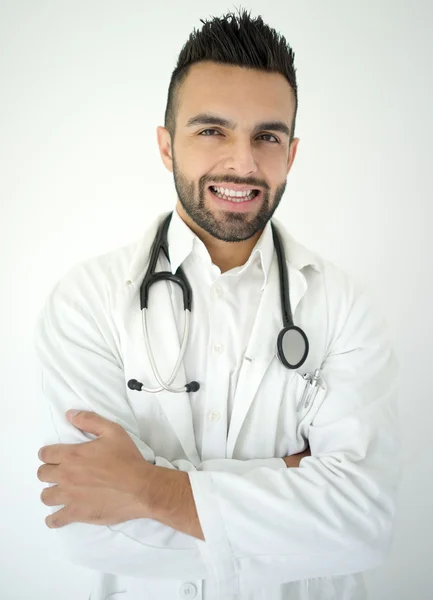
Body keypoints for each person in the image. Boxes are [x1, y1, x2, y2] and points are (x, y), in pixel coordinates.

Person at [34, 7, 402, 600]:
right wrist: (293, 485)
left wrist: (150, 490)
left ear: (292, 152)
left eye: (267, 136)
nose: (243, 162)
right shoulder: (88, 301)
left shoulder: (345, 306)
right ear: (165, 146)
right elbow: (95, 533)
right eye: (212, 130)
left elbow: (363, 522)